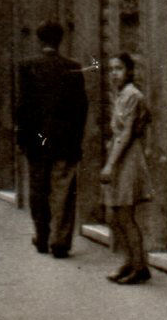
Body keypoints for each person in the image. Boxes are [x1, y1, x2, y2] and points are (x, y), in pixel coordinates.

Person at [15, 20, 89, 258]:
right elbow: (81, 108)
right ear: (60, 40)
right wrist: (76, 139)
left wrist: (23, 139)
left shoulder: (27, 66)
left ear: (39, 40)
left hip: (38, 139)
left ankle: (42, 237)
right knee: (63, 192)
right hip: (64, 141)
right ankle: (60, 242)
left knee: (38, 190)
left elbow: (22, 108)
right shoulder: (73, 67)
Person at [98, 54, 152, 283]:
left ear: (129, 71)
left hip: (127, 158)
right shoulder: (120, 95)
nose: (114, 73)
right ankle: (129, 261)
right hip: (118, 155)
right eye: (111, 69)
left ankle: (140, 267)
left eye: (119, 68)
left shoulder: (133, 96)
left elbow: (127, 133)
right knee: (115, 215)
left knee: (125, 215)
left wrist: (110, 165)